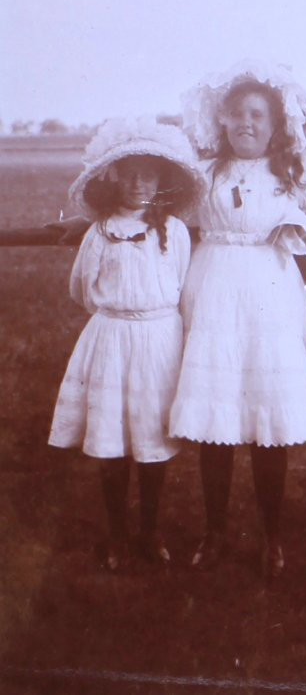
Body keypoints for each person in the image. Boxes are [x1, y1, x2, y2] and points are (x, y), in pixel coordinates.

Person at [169, 61, 306, 578]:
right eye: (236, 114)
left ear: (276, 123)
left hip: (270, 294)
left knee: (266, 416)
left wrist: (296, 232)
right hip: (214, 292)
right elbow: (171, 225)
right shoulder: (204, 174)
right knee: (218, 415)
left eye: (256, 115)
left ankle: (272, 534)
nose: (245, 124)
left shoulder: (293, 175)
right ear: (222, 121)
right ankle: (214, 532)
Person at [48, 116, 204, 571]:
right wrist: (117, 315)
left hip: (159, 341)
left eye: (149, 175)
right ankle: (116, 532)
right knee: (112, 435)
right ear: (114, 178)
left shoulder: (173, 232)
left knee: (152, 437)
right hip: (112, 339)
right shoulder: (99, 233)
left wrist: (154, 320)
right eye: (131, 174)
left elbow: (179, 283)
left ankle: (149, 530)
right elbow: (81, 289)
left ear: (162, 181)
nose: (140, 184)